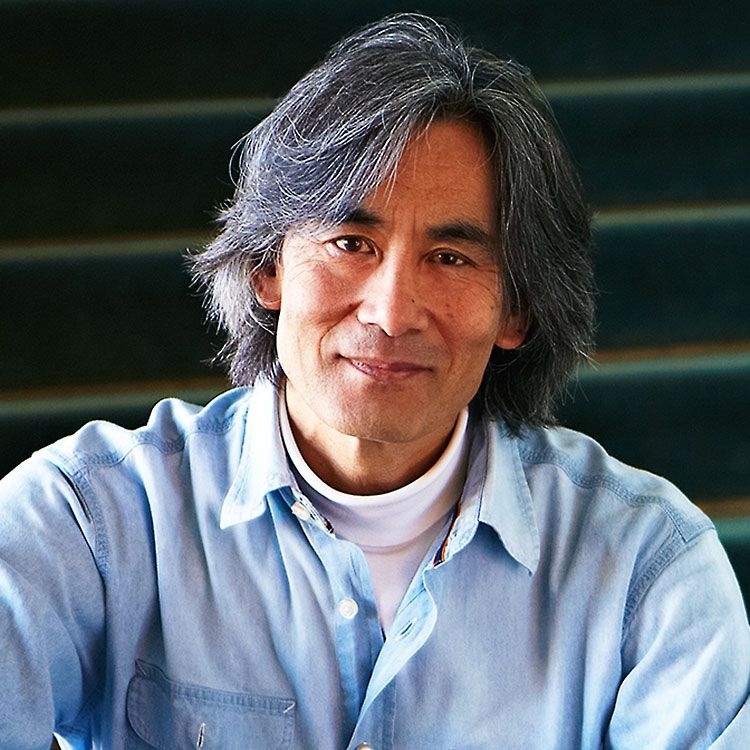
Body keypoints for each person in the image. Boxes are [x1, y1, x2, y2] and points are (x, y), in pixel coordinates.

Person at [1, 12, 748, 750]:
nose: (390, 313)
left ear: (517, 311)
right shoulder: (88, 521)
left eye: (450, 258)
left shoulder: (648, 566)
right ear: (267, 267)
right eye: (350, 242)